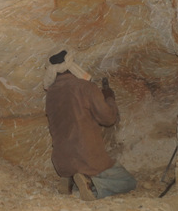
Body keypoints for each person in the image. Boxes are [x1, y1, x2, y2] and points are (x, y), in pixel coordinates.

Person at [44, 49, 136, 201]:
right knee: (127, 182)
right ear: (71, 65)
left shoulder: (51, 94)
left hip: (62, 162)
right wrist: (109, 98)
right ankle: (91, 184)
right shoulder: (86, 87)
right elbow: (108, 119)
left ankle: (70, 179)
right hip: (86, 157)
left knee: (77, 168)